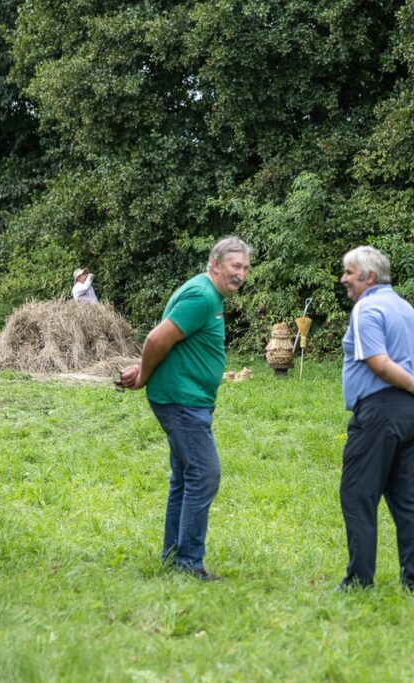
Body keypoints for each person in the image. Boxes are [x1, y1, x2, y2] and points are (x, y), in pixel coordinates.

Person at [120, 236, 252, 581]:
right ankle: (188, 563)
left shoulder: (208, 294)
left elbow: (172, 344)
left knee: (185, 478)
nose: (242, 274)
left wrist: (143, 368)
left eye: (246, 267)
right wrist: (145, 375)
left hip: (188, 398)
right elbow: (156, 339)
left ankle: (173, 555)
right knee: (205, 475)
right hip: (182, 402)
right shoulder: (202, 296)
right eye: (235, 266)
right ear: (215, 265)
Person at [338, 246, 414, 594]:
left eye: (349, 273)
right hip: (412, 416)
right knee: (407, 498)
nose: (344, 279)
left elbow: (377, 362)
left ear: (368, 277)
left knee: (358, 495)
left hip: (380, 413)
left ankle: (359, 581)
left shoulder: (366, 308)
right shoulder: (405, 308)